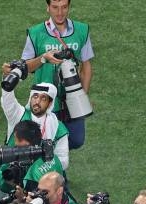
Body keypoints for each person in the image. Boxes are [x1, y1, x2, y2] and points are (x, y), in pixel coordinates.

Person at [20, 0, 95, 149]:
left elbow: (86, 67)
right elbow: (26, 67)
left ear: (69, 6)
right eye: (55, 7)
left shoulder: (81, 30)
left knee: (75, 140)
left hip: (72, 99)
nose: (60, 13)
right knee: (44, 145)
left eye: (64, 7)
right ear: (47, 7)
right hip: (45, 102)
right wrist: (43, 58)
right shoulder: (35, 33)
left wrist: (82, 97)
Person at [0, 80, 70, 171]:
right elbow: (7, 101)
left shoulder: (59, 128)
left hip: (42, 173)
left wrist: (39, 167)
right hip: (12, 169)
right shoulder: (19, 115)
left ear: (50, 103)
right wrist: (7, 79)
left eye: (43, 98)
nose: (37, 101)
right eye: (35, 96)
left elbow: (63, 160)